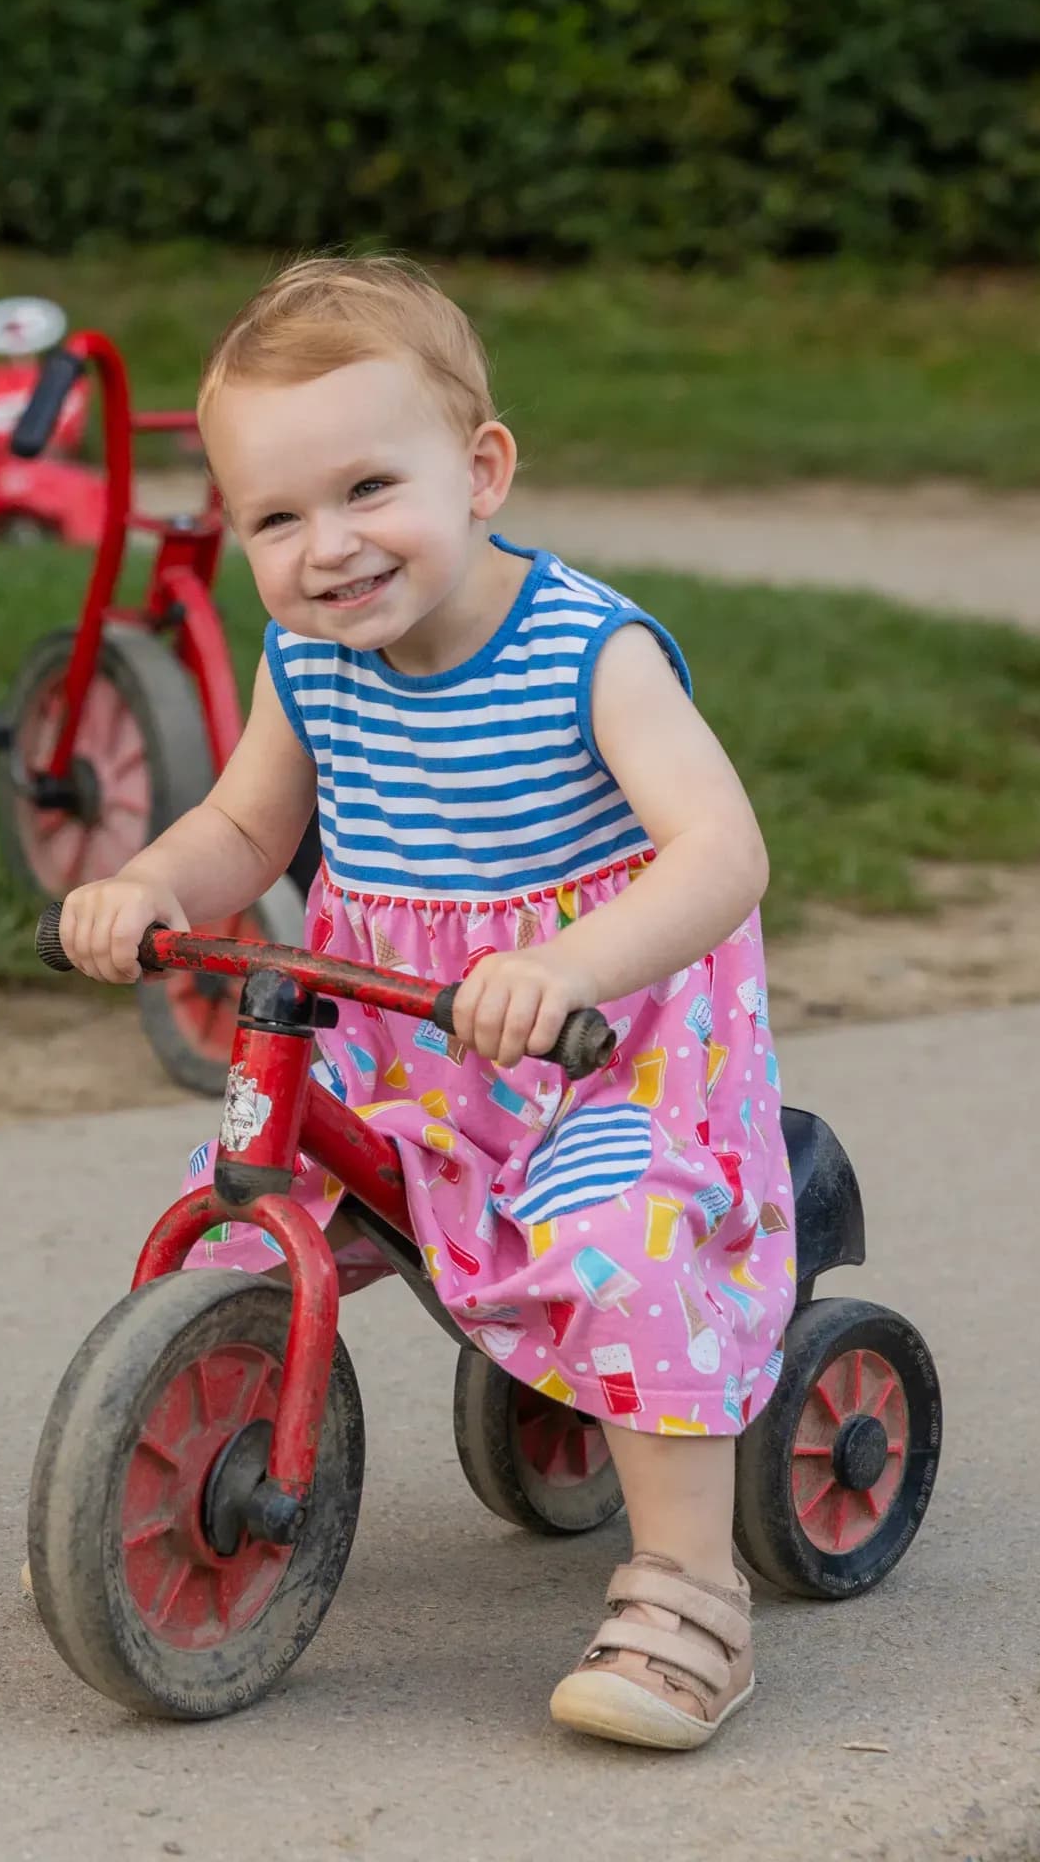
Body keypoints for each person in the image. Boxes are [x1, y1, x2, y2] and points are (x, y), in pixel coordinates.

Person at [53, 256, 794, 1751]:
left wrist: (569, 969)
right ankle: (123, 1492)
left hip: (605, 1055)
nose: (327, 549)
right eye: (275, 518)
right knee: (241, 1200)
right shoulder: (312, 660)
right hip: (404, 1043)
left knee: (615, 1245)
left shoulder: (594, 652)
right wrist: (155, 883)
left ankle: (689, 1599)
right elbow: (249, 832)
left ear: (483, 469)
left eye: (368, 490)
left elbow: (724, 851)